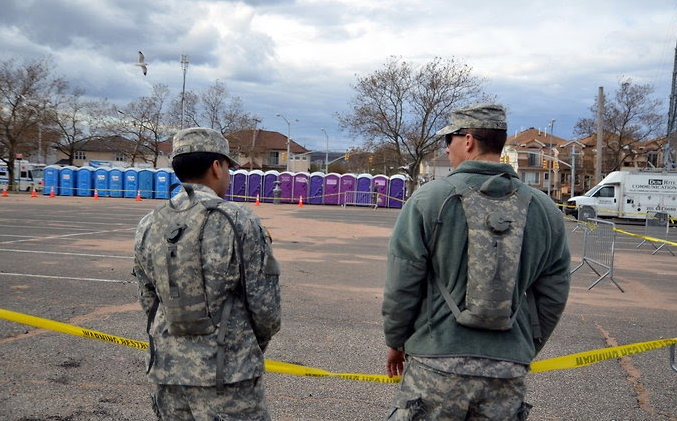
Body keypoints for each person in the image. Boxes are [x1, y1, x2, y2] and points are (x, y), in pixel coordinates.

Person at [382, 103, 570, 420]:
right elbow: (554, 291)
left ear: (468, 140)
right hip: (507, 370)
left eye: (449, 140)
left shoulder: (428, 200)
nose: (447, 148)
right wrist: (522, 346)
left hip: (436, 361)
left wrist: (396, 341)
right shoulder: (545, 209)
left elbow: (403, 281)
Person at [134, 127, 281, 420]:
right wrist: (247, 350)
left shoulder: (150, 224)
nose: (227, 175)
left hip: (168, 372)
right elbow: (266, 310)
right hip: (227, 377)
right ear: (216, 166)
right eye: (227, 167)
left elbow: (149, 301)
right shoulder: (238, 220)